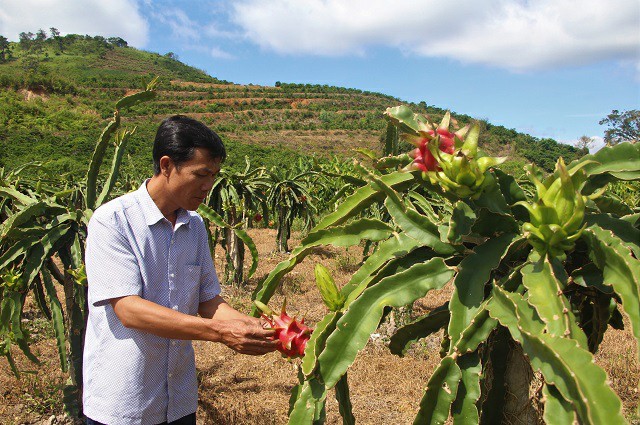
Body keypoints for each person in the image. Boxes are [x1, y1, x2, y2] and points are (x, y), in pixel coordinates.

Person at [83, 115, 277, 425]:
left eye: (213, 175)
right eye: (201, 174)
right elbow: (129, 310)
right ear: (166, 165)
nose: (208, 186)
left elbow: (208, 300)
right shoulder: (113, 221)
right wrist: (221, 332)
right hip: (125, 401)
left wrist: (264, 329)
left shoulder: (195, 225)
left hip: (179, 400)